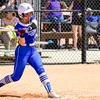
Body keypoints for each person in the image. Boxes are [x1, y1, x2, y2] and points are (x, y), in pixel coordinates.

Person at [0, 3, 60, 98]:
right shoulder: (17, 28)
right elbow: (22, 43)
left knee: (41, 69)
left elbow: (34, 24)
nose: (29, 15)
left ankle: (50, 91)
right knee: (16, 77)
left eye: (30, 13)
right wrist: (22, 34)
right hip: (22, 51)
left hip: (32, 50)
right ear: (21, 15)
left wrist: (27, 29)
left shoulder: (32, 19)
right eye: (26, 14)